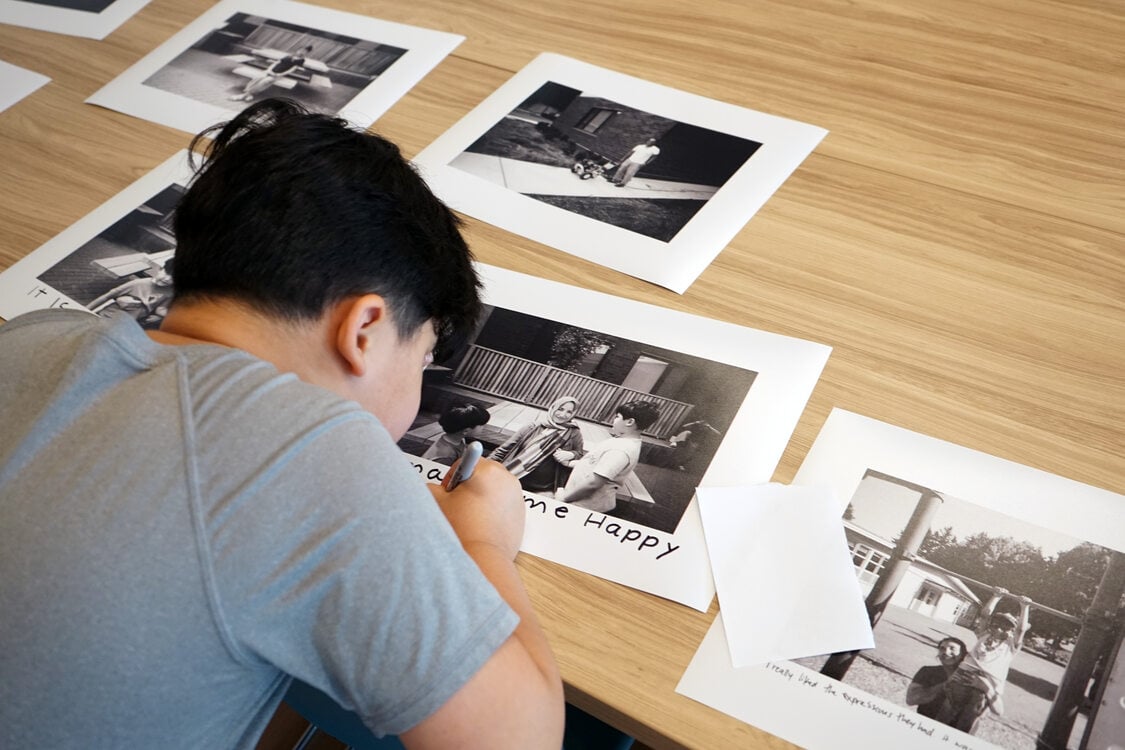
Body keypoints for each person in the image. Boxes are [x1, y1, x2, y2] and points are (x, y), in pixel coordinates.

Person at [0, 99, 564, 749]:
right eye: (423, 359)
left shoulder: (36, 336)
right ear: (365, 329)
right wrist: (482, 543)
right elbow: (517, 740)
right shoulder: (312, 452)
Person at [936, 592, 1032, 734]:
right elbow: (984, 615)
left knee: (969, 719)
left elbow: (1021, 629)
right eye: (997, 625)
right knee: (946, 712)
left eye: (1006, 627)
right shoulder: (984, 635)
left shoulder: (1011, 645)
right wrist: (996, 596)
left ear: (1011, 631)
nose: (999, 629)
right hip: (964, 674)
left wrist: (1024, 607)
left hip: (987, 681)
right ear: (992, 626)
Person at [558, 401, 660, 514]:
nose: (614, 420)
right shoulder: (620, 441)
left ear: (630, 422)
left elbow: (594, 483)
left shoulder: (621, 449)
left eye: (617, 417)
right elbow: (593, 462)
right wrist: (569, 463)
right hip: (579, 499)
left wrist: (564, 498)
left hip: (585, 505)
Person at [490, 395, 585, 495]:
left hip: (543, 490)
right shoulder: (532, 427)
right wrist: (482, 466)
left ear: (573, 414)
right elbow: (504, 450)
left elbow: (580, 456)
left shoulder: (574, 433)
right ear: (553, 408)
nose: (563, 414)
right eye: (560, 409)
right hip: (513, 479)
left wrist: (572, 455)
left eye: (569, 412)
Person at [87, 260, 174, 329]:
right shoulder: (138, 283)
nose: (167, 279)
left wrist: (160, 317)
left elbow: (160, 309)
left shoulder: (169, 292)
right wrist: (86, 310)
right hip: (108, 317)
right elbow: (107, 296)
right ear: (160, 269)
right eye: (166, 273)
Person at [905, 636, 967, 719]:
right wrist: (944, 685)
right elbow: (911, 699)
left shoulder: (969, 678)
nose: (946, 652)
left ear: (962, 654)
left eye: (952, 648)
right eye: (942, 648)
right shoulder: (927, 671)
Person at [231, 45, 315, 102]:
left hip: (278, 75)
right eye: (301, 50)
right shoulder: (288, 56)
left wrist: (279, 75)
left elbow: (292, 70)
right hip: (269, 71)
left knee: (265, 82)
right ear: (298, 49)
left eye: (304, 51)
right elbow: (276, 63)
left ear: (306, 53)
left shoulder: (301, 60)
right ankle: (248, 94)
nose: (301, 52)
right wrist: (269, 70)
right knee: (257, 78)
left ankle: (243, 95)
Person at [421, 402, 490, 466]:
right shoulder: (446, 456)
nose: (484, 427)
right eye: (482, 425)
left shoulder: (458, 439)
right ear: (466, 431)